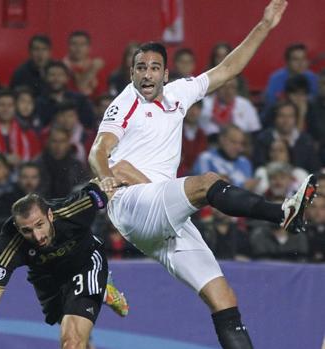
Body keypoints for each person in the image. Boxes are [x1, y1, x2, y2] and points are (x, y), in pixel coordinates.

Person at [88, 2, 315, 348]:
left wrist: (265, 25)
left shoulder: (179, 93)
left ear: (166, 74)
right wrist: (104, 175)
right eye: (139, 68)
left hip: (163, 218)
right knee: (206, 182)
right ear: (131, 73)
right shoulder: (124, 104)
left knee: (223, 298)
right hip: (132, 206)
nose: (146, 75)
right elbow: (98, 150)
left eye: (153, 68)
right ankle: (283, 213)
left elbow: (228, 69)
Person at [0, 180, 129, 349]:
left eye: (39, 225)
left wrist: (114, 180)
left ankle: (100, 286)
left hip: (84, 262)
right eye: (26, 230)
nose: (37, 236)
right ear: (17, 228)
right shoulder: (10, 244)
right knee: (79, 342)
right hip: (47, 278)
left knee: (72, 341)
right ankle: (104, 292)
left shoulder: (72, 209)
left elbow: (107, 185)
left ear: (50, 215)